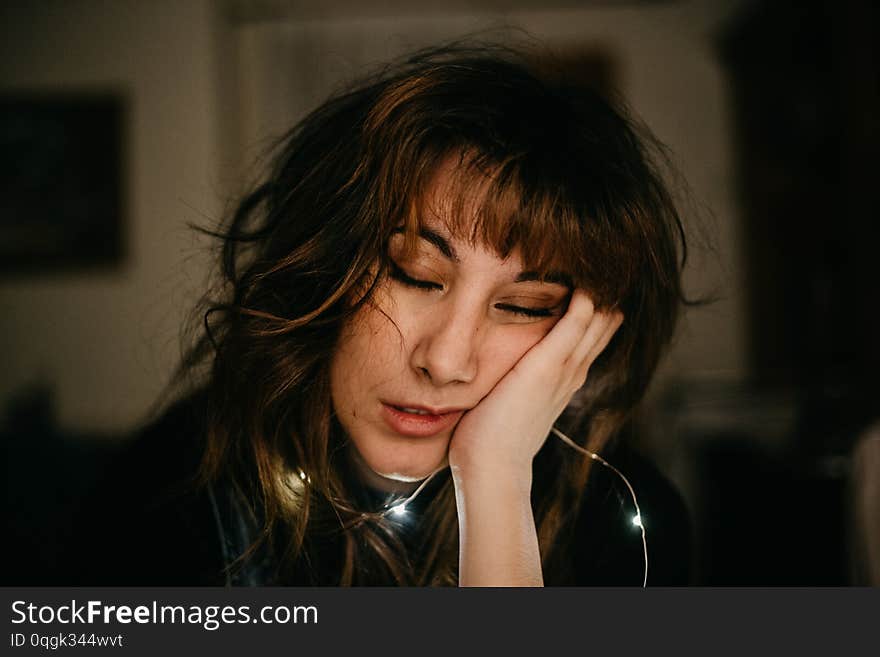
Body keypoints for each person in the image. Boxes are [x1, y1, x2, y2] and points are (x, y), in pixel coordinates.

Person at [73, 44, 692, 586]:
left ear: (586, 329)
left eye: (521, 307)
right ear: (322, 264)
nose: (445, 361)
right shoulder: (171, 493)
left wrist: (495, 480)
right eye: (414, 275)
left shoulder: (623, 523)